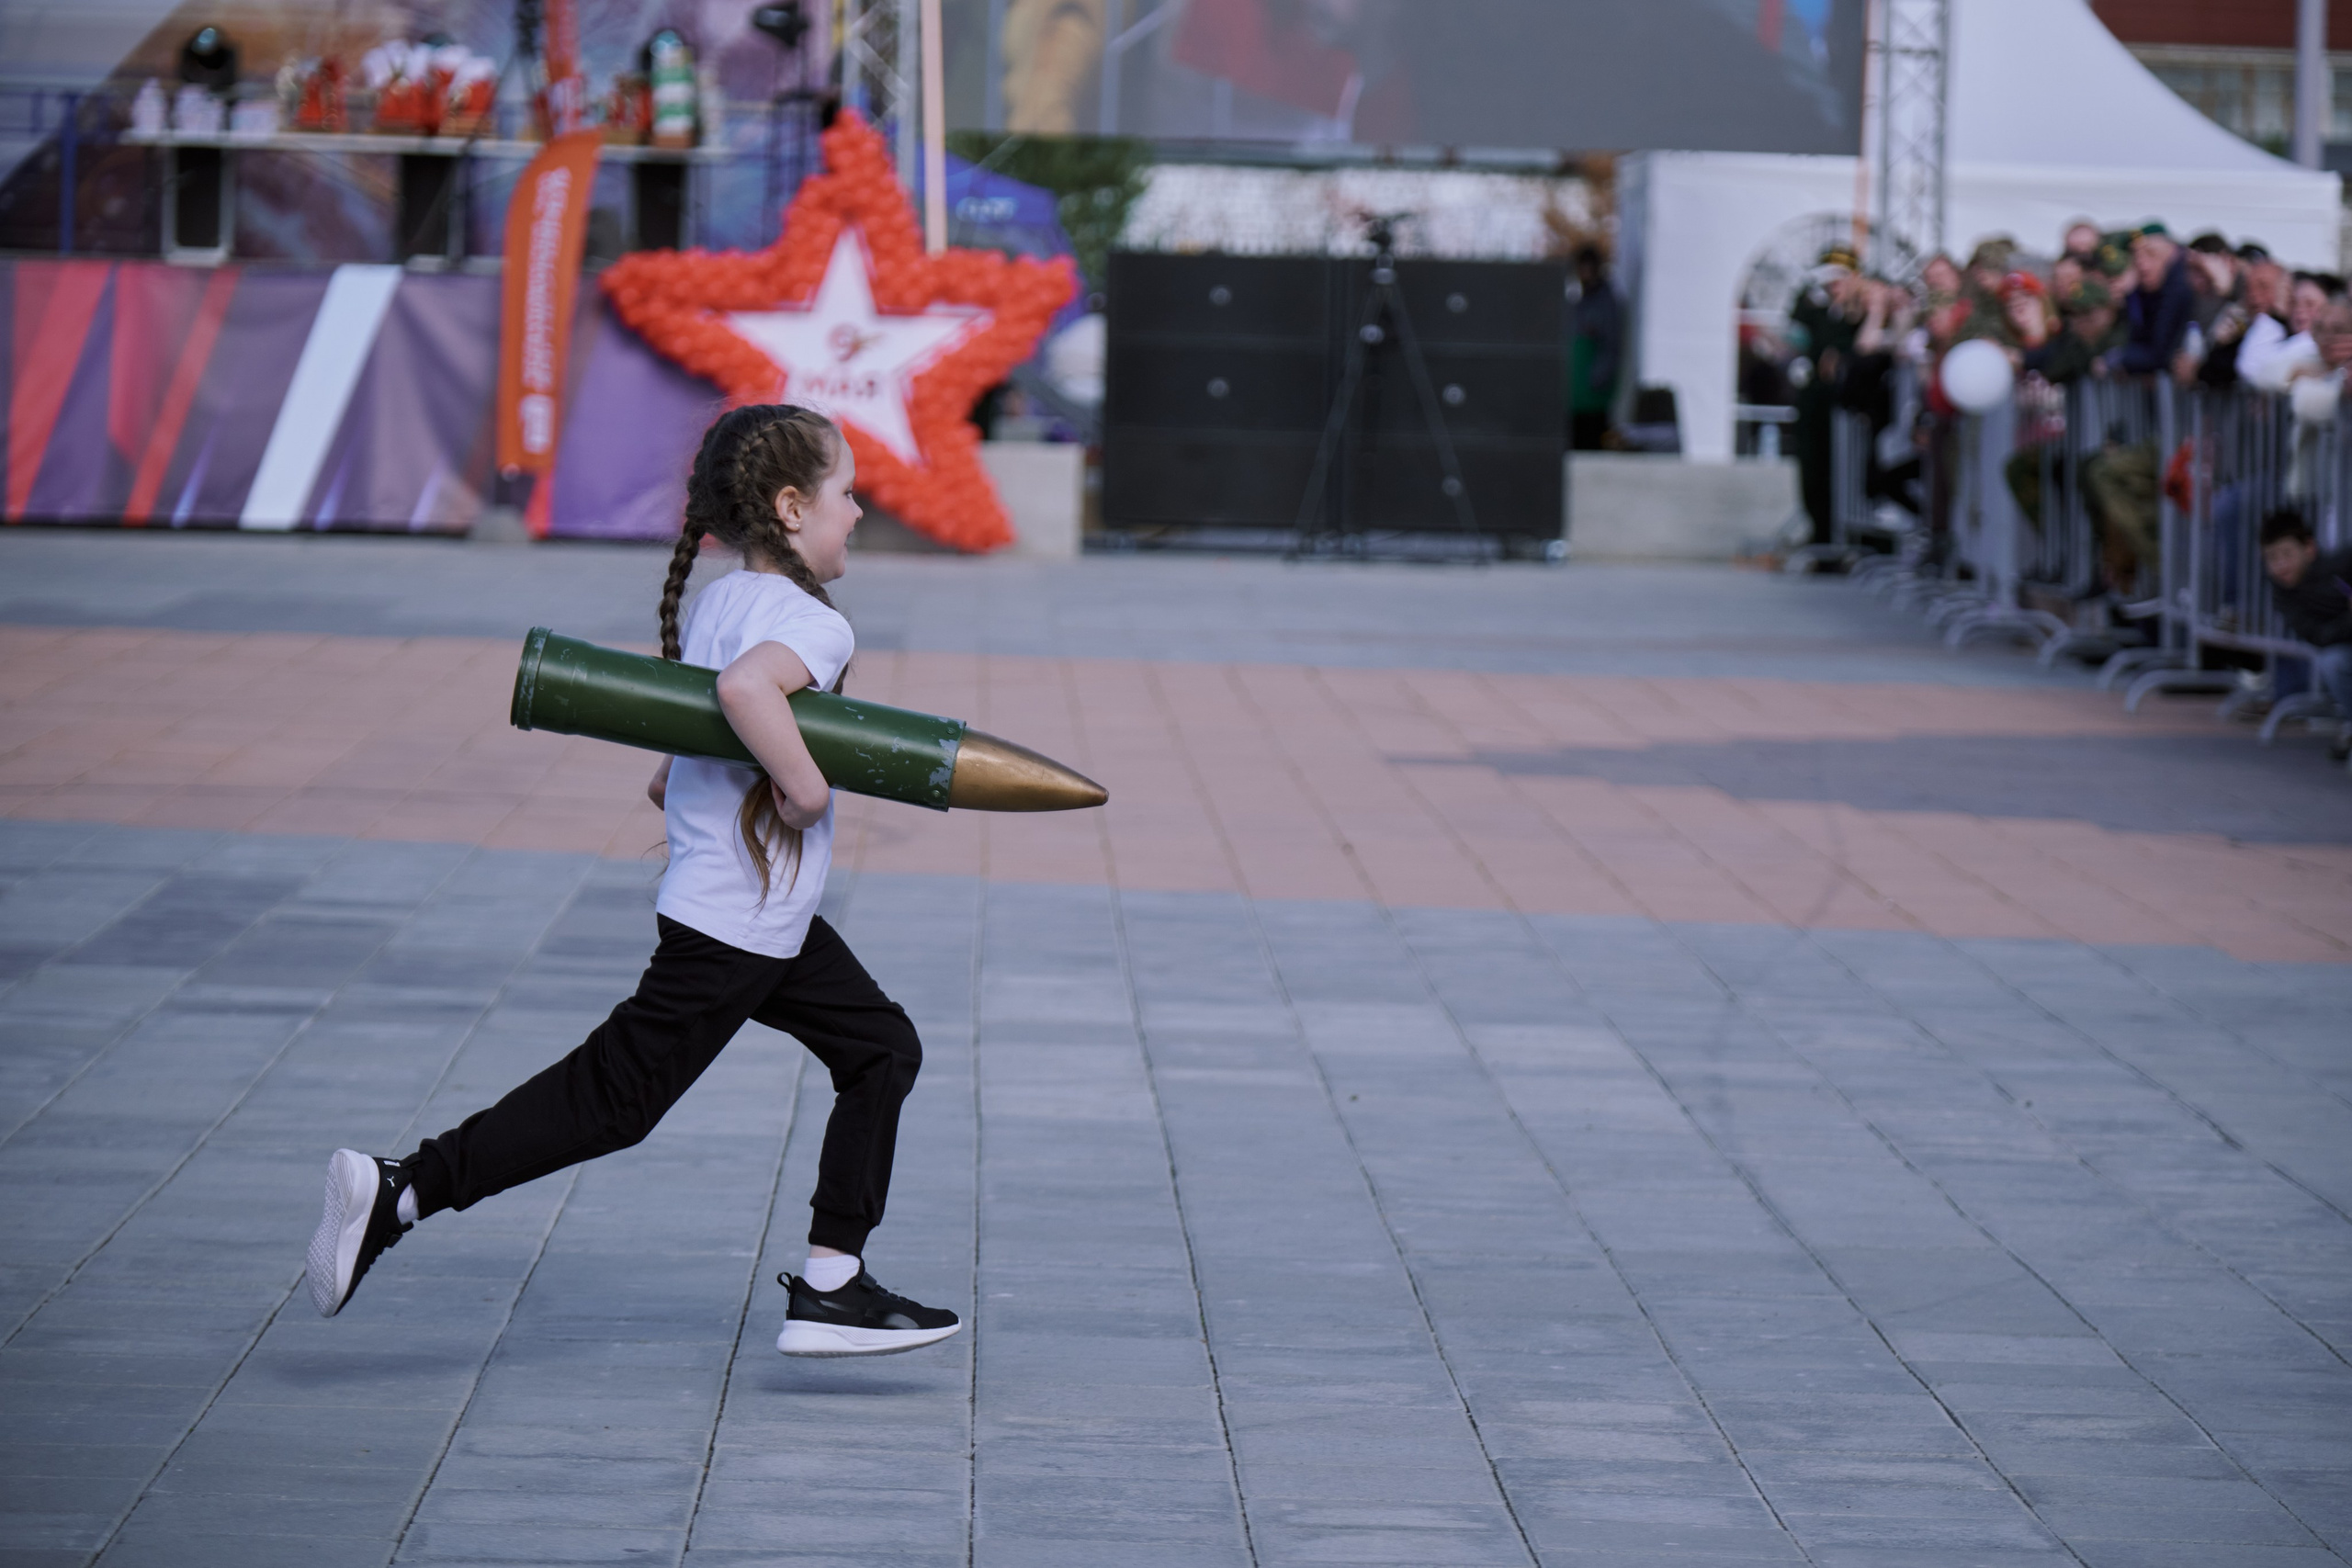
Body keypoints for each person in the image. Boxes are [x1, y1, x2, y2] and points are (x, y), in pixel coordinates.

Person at [305, 404, 964, 1359]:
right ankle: (401, 1190)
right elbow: (744, 696)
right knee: (614, 1102)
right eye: (845, 494)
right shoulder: (809, 625)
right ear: (789, 507)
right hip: (737, 923)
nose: (857, 512)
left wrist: (705, 779)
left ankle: (832, 1283)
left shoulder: (720, 603)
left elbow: (689, 742)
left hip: (756, 916)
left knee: (880, 1048)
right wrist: (807, 790)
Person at [2258, 509, 2352, 760]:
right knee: (2332, 662)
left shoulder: (2341, 565)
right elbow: (2316, 635)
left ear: (2309, 548)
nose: (2280, 565)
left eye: (2287, 554)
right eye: (2272, 558)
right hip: (2345, 649)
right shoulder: (2283, 594)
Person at [2105, 223, 2196, 377]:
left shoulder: (2181, 285)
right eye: (2136, 257)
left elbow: (2160, 351)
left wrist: (2118, 359)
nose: (2142, 265)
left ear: (2172, 252)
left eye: (2151, 254)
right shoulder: (2151, 291)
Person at [1566, 244, 1623, 451]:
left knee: (1590, 444)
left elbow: (1611, 345)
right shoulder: (1580, 301)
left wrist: (1598, 378)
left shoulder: (1605, 303)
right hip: (1576, 394)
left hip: (1593, 394)